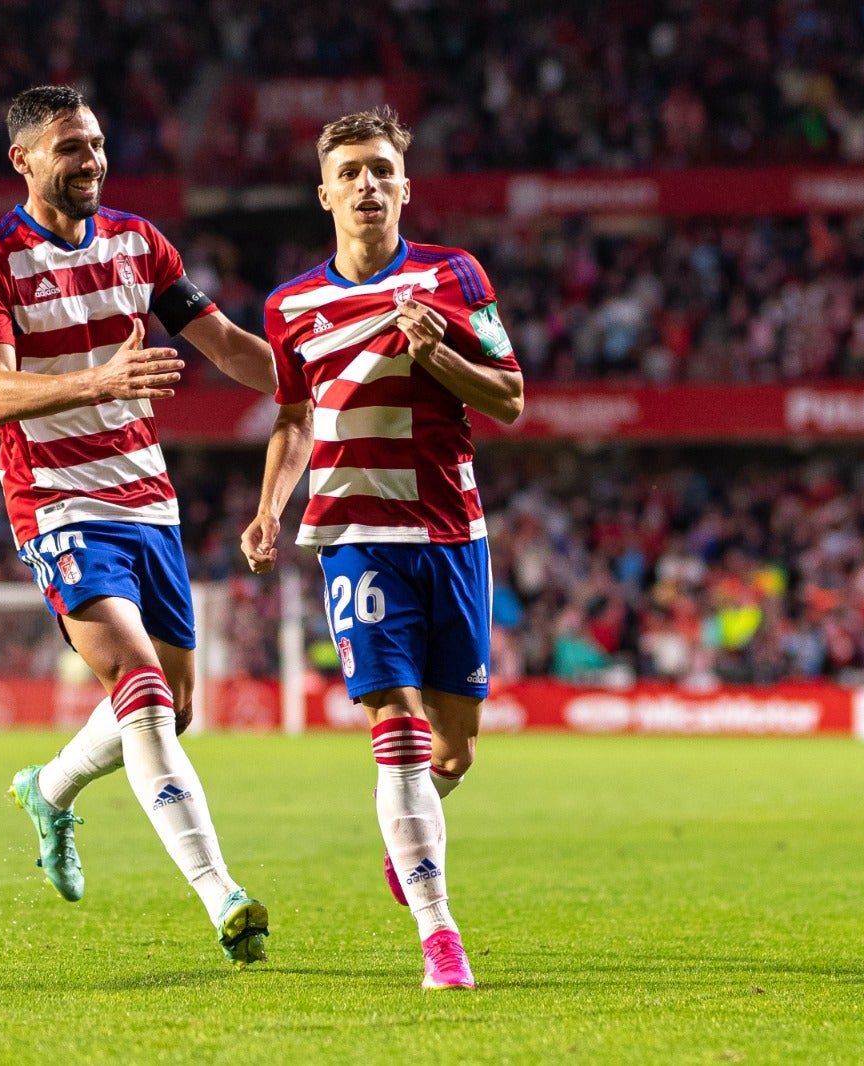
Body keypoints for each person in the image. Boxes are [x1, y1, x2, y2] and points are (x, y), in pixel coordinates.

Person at [0, 85, 276, 966]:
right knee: (140, 684)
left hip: (148, 499)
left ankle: (49, 789)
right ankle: (223, 896)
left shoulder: (140, 241)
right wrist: (98, 381)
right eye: (69, 147)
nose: (90, 159)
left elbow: (226, 344)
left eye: (94, 143)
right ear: (22, 160)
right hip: (57, 498)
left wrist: (322, 382)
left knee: (175, 706)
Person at [240, 106, 524, 990]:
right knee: (395, 726)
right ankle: (441, 938)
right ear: (325, 193)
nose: (367, 184)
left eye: (381, 170)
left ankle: (410, 845)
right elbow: (294, 418)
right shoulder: (290, 306)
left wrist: (439, 357)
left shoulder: (454, 274)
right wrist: (269, 508)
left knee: (454, 749)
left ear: (406, 187)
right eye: (350, 172)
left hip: (450, 531)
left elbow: (510, 398)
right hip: (355, 537)